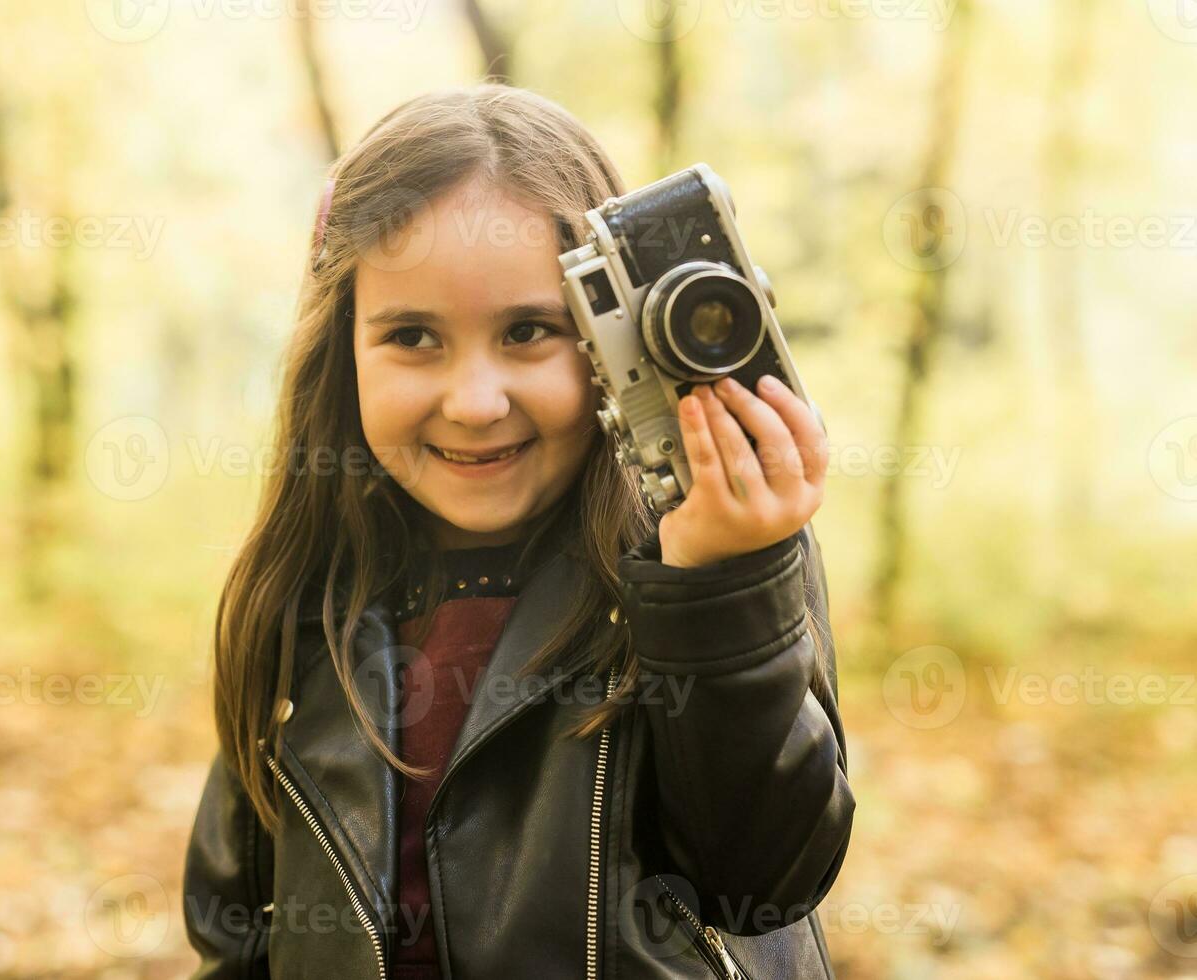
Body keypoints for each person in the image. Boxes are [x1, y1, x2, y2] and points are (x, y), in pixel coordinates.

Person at [182, 83, 854, 979]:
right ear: (342, 351)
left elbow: (762, 881)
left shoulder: (705, 568)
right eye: (413, 337)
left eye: (529, 331)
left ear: (612, 340)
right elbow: (237, 934)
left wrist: (716, 589)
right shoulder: (309, 594)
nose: (474, 402)